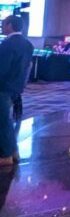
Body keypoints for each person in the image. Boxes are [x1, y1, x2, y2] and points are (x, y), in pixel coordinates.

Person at [0, 16, 33, 171]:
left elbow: (2, 69)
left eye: (3, 24)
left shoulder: (7, 44)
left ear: (10, 25)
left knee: (2, 121)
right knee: (5, 119)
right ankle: (13, 152)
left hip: (3, 87)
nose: (1, 26)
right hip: (16, 87)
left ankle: (5, 155)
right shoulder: (27, 44)